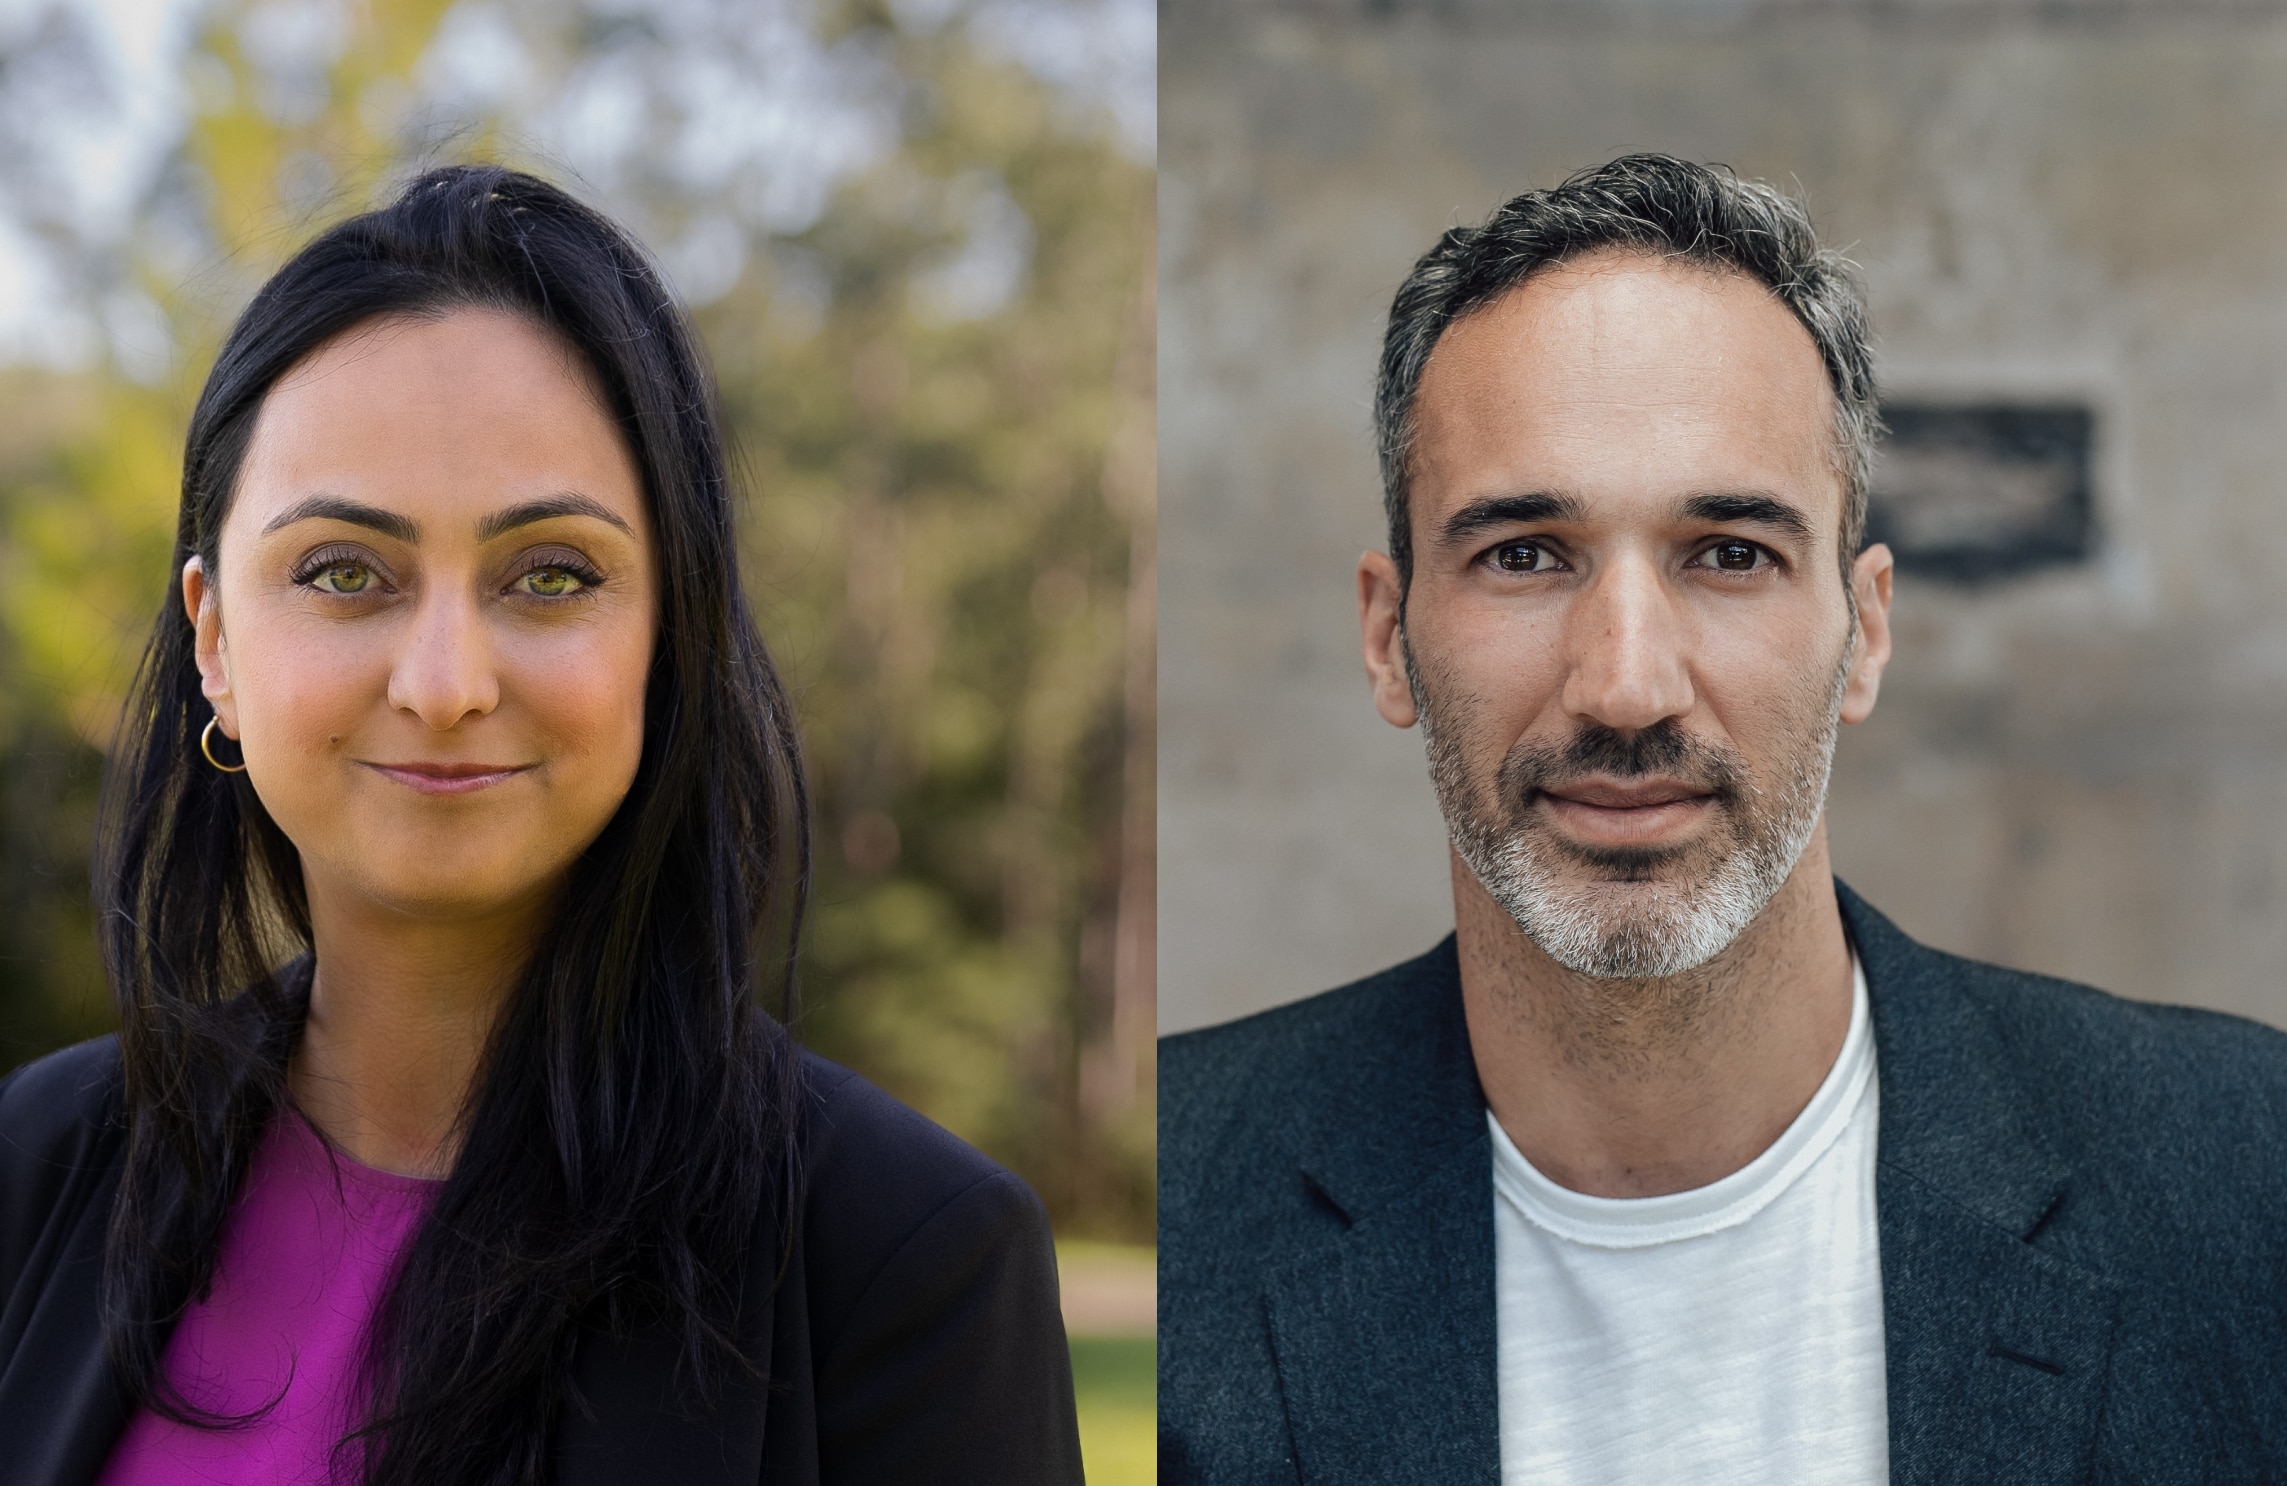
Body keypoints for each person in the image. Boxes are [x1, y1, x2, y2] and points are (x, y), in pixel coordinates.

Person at [1159, 154, 2287, 1483]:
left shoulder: (2244, 1176)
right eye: (1524, 553)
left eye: (1730, 554)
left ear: (1864, 632)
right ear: (1388, 637)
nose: (1627, 682)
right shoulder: (1185, 1191)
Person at [0, 165, 1082, 1486]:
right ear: (215, 637)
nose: (446, 681)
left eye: (550, 574)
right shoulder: (37, 1169)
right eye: (345, 572)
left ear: (666, 634)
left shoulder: (905, 1257)